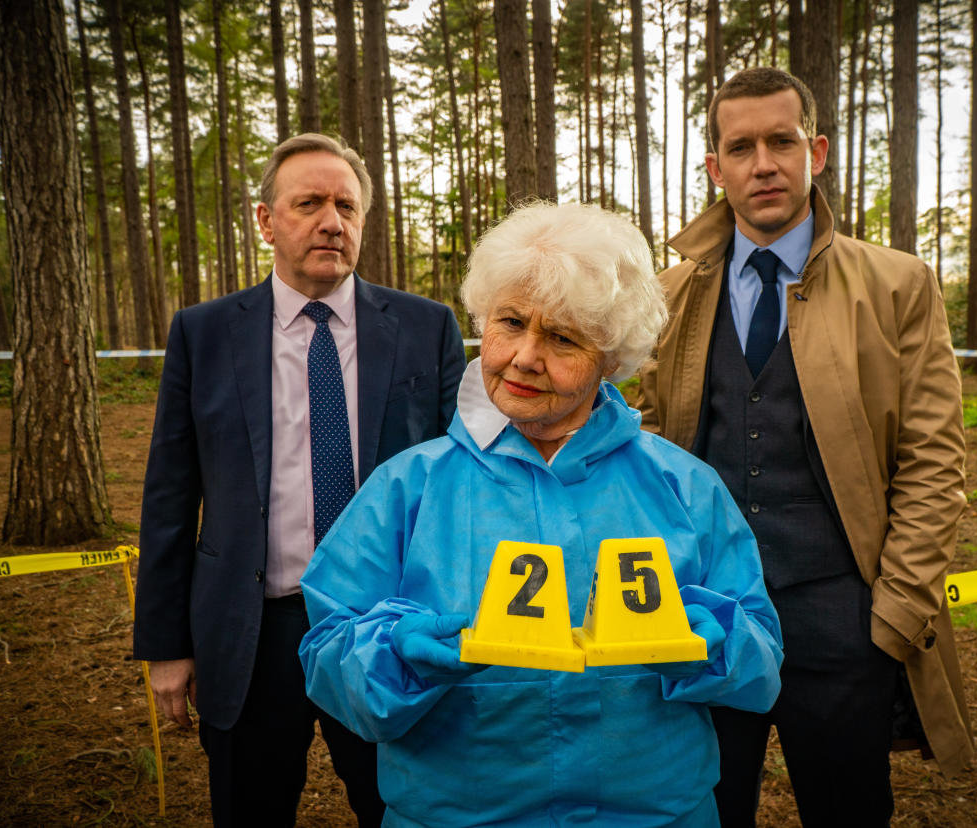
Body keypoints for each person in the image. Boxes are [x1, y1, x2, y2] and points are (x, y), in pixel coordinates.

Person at [298, 201, 783, 827]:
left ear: (611, 357)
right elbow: (328, 656)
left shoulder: (685, 486)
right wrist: (399, 653)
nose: (525, 356)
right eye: (511, 322)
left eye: (562, 338)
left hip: (654, 816)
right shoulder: (406, 488)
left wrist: (707, 640)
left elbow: (763, 664)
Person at [636, 67, 974, 827]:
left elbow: (933, 459)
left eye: (782, 141)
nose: (764, 164)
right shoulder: (667, 294)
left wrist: (894, 611)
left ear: (815, 151)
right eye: (741, 146)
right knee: (705, 809)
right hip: (704, 610)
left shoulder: (897, 284)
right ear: (714, 168)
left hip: (843, 613)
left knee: (847, 812)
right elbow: (646, 439)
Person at [133, 133, 465, 827]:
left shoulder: (425, 327)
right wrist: (165, 644)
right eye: (308, 202)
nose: (331, 221)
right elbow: (170, 494)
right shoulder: (205, 333)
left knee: (403, 809)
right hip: (253, 630)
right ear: (265, 220)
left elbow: (458, 482)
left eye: (346, 205)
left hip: (386, 626)